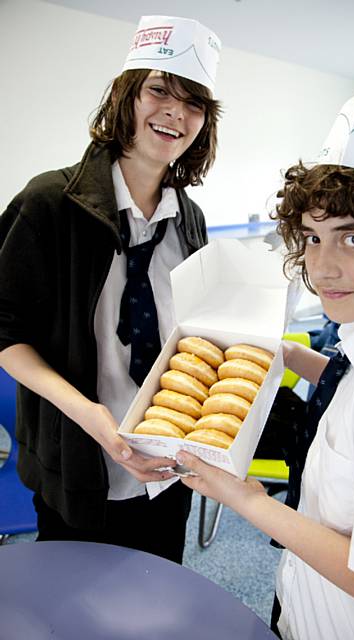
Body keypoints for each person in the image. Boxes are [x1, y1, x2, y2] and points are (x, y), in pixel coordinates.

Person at [0, 15, 221, 564]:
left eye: (193, 103)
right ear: (126, 96)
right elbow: (5, 332)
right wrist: (88, 415)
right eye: (159, 91)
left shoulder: (190, 219)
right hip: (80, 462)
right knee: (73, 605)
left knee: (158, 595)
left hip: (168, 464)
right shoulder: (50, 203)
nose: (175, 112)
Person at [176, 152, 354, 636]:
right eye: (313, 238)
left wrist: (247, 500)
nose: (323, 267)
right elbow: (347, 380)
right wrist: (288, 357)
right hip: (309, 597)